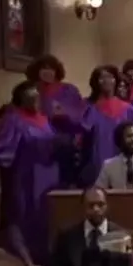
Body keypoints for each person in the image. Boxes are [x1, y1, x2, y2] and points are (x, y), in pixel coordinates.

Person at [0, 81, 58, 266]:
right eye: (30, 96)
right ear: (21, 99)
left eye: (37, 96)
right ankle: (24, 265)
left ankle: (43, 264)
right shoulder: (13, 120)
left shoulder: (45, 120)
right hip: (23, 177)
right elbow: (2, 144)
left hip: (48, 176)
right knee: (21, 216)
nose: (35, 99)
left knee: (44, 217)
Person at [80, 65, 133, 186]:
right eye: (101, 78)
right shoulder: (92, 109)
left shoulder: (127, 109)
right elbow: (84, 138)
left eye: (110, 77)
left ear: (116, 80)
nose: (106, 81)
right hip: (99, 161)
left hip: (125, 160)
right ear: (96, 82)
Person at [28, 54, 86, 188]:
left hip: (63, 140)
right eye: (43, 68)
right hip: (37, 142)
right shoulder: (31, 91)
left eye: (51, 69)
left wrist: (65, 114)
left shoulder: (69, 90)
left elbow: (79, 114)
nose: (47, 72)